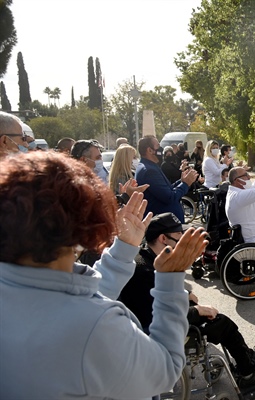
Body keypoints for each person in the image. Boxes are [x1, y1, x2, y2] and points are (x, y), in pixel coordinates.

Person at [0, 151, 209, 399]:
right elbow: (164, 372)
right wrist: (171, 280)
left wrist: (124, 248)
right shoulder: (95, 326)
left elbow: (74, 295)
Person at [119, 212, 255, 389]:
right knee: (221, 323)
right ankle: (248, 372)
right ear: (163, 239)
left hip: (157, 319)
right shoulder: (145, 270)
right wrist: (196, 311)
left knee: (216, 318)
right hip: (152, 332)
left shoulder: (147, 257)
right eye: (179, 237)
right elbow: (154, 317)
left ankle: (249, 357)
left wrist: (184, 294)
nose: (183, 241)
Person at [135, 135, 198, 223]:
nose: (161, 149)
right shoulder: (149, 170)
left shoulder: (151, 166)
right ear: (150, 150)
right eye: (158, 146)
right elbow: (169, 197)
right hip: (164, 226)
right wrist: (185, 184)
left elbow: (166, 190)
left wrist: (182, 181)